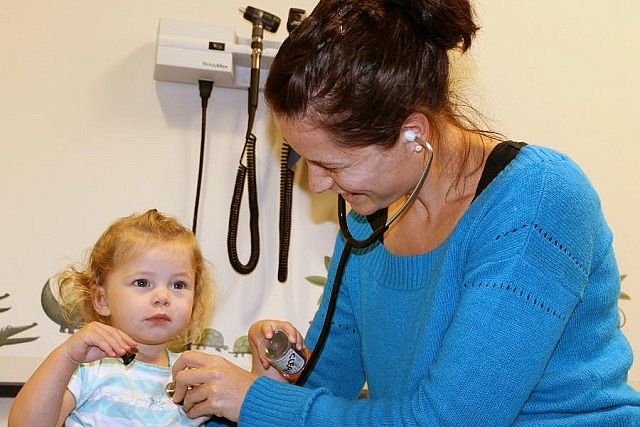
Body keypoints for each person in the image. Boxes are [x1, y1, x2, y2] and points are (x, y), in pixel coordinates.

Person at [169, 0, 640, 425]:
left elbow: (450, 421)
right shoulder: (367, 221)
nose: (316, 183)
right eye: (303, 160)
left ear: (415, 134)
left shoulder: (539, 198)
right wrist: (266, 381)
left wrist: (253, 401)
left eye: (333, 164)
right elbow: (321, 389)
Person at [8, 209, 215, 427]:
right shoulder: (87, 367)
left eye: (178, 285)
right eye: (142, 282)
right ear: (102, 299)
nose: (163, 297)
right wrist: (67, 356)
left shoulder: (191, 377)